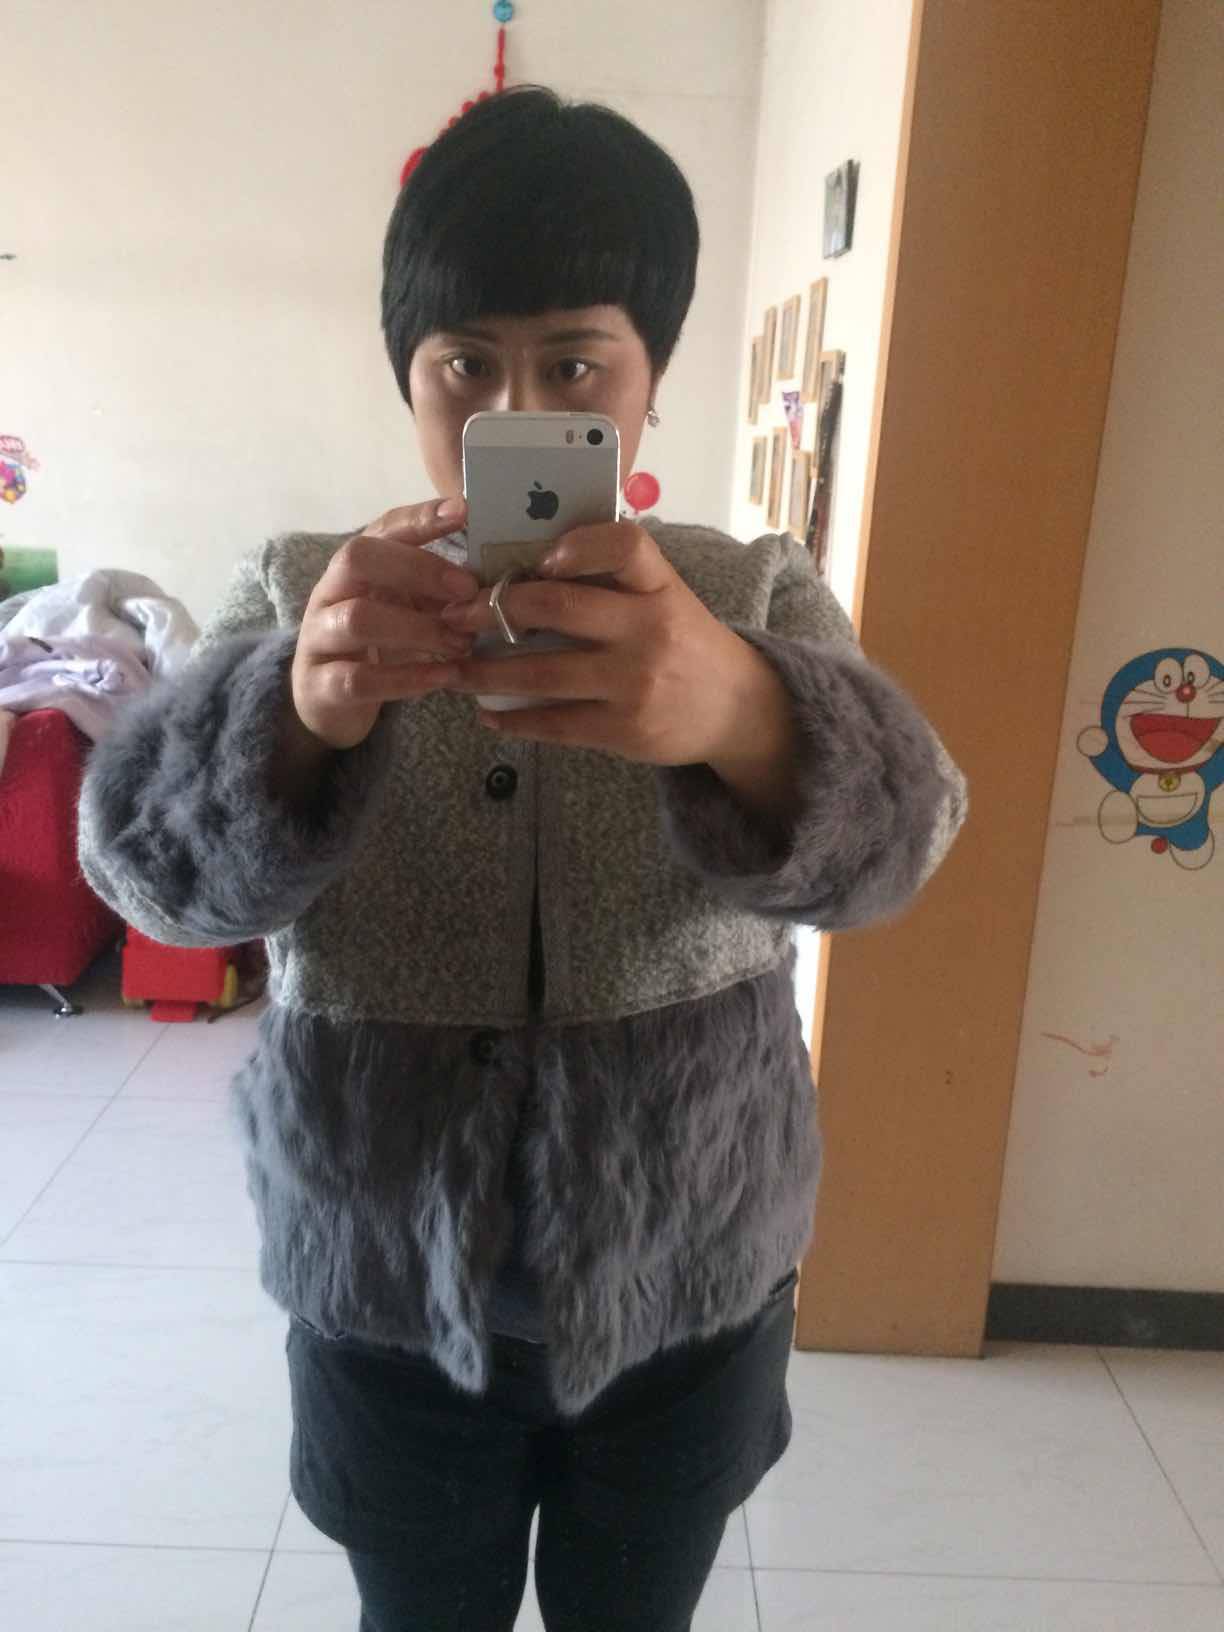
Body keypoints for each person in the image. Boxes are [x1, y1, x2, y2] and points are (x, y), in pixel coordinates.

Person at [78, 85, 968, 1632]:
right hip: (383, 1283)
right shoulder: (305, 593)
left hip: (693, 1274)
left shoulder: (747, 593)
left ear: (651, 378)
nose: (513, 408)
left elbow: (908, 845)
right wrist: (294, 713)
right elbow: (149, 878)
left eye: (572, 363)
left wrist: (744, 711)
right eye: (464, 364)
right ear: (405, 376)